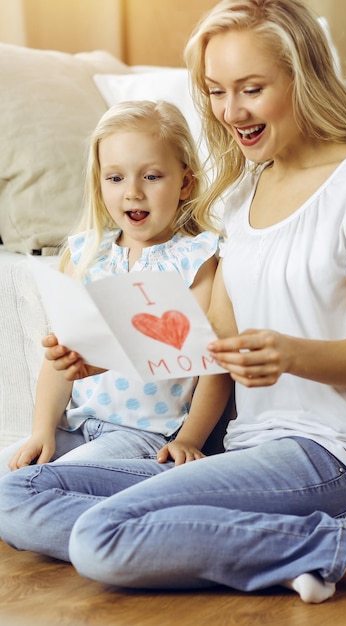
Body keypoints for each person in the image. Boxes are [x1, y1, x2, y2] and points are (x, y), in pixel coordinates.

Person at [1, 0, 346, 604]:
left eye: (250, 89)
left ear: (303, 78)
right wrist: (107, 353)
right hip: (243, 448)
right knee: (17, 493)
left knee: (101, 537)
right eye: (216, 91)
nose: (230, 112)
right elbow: (209, 344)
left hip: (330, 454)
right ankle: (281, 547)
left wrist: (289, 355)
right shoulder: (243, 193)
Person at [0, 99, 226, 476]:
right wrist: (42, 431)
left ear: (185, 182)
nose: (133, 192)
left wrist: (190, 439)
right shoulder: (87, 253)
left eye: (151, 176)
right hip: (78, 425)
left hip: (144, 437)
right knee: (8, 477)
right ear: (100, 181)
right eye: (116, 178)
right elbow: (62, 358)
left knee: (44, 483)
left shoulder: (197, 259)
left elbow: (213, 367)